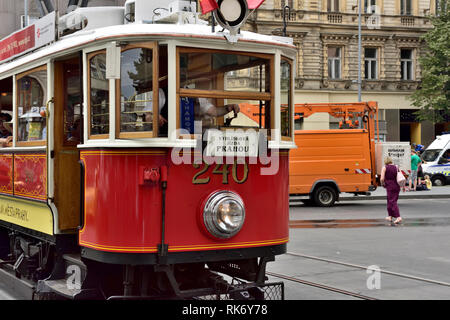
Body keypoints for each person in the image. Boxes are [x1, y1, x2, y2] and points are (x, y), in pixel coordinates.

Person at [380, 157, 405, 224]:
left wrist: (382, 184)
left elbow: (382, 178)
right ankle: (390, 216)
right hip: (397, 185)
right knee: (390, 201)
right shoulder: (396, 167)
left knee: (392, 201)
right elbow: (401, 176)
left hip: (389, 186)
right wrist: (403, 186)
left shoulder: (384, 167)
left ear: (385, 161)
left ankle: (398, 217)